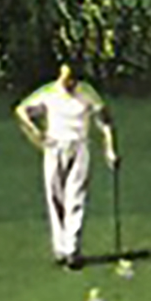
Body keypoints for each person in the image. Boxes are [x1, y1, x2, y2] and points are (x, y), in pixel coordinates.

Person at [15, 63, 118, 269]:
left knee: (75, 196)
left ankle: (72, 250)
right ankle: (60, 249)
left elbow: (105, 121)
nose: (66, 83)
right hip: (55, 146)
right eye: (63, 79)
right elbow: (21, 110)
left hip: (79, 146)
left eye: (70, 79)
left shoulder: (87, 92)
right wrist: (35, 132)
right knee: (55, 197)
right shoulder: (49, 92)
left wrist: (110, 150)